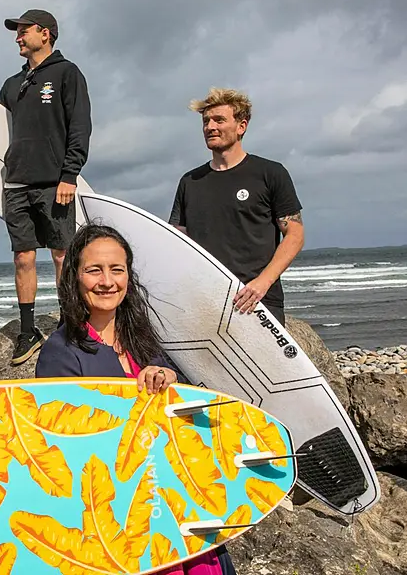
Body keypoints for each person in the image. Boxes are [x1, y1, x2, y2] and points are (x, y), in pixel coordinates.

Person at [36, 223, 236, 575]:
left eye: (117, 269)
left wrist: (172, 380)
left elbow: (193, 413)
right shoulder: (61, 350)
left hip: (174, 500)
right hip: (121, 517)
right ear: (74, 277)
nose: (107, 281)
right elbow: (59, 446)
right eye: (94, 270)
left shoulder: (144, 339)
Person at [0, 8, 92, 365]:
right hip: (15, 183)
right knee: (23, 256)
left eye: (23, 31)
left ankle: (70, 323)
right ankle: (27, 329)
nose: (18, 37)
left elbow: (79, 127)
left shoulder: (67, 74)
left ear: (45, 33)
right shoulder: (11, 84)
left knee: (62, 255)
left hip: (53, 181)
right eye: (16, 32)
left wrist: (70, 175)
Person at [169, 88, 304, 326]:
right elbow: (178, 241)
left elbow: (295, 234)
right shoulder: (190, 182)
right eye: (206, 121)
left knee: (262, 365)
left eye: (219, 120)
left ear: (241, 126)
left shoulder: (270, 173)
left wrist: (262, 283)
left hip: (257, 300)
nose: (210, 127)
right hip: (205, 300)